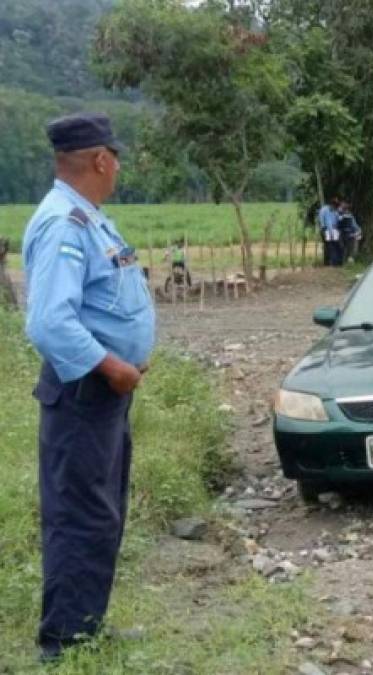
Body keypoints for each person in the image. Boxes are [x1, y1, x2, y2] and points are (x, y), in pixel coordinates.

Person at [22, 113, 155, 662]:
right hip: (85, 394)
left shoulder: (90, 219)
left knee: (101, 511)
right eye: (115, 156)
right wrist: (112, 366)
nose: (118, 166)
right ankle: (63, 644)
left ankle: (86, 626)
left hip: (102, 395)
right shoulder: (65, 225)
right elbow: (50, 322)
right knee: (81, 515)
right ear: (100, 159)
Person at [318, 197, 341, 266]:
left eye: (336, 205)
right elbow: (321, 221)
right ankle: (329, 263)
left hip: (333, 231)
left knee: (335, 245)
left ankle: (334, 262)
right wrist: (323, 229)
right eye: (334, 205)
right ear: (331, 204)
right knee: (329, 246)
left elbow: (337, 221)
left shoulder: (335, 212)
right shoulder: (324, 210)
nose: (335, 207)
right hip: (325, 230)